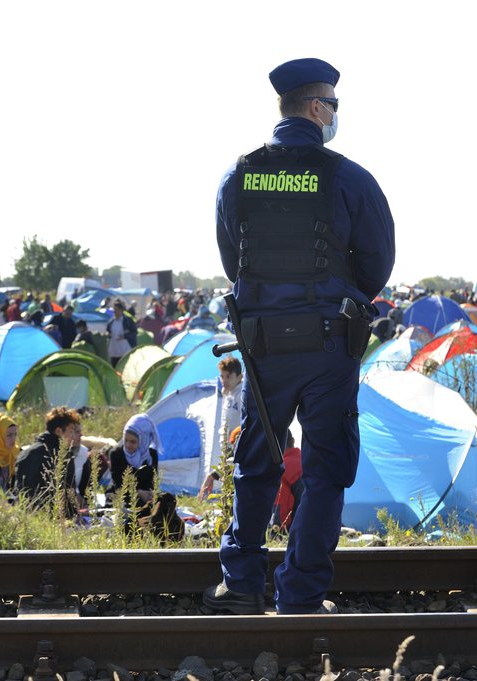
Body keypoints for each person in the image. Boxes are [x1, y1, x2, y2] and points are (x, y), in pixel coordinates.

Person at [205, 58, 394, 616]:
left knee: (256, 457)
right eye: (333, 106)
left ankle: (240, 583)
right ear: (317, 108)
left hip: (262, 343)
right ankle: (301, 595)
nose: (335, 116)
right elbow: (378, 262)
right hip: (328, 346)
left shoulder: (238, 175)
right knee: (325, 465)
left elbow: (229, 259)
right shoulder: (348, 177)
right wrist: (333, 294)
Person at [13, 407, 82, 508]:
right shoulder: (63, 455)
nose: (79, 435)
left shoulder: (25, 453)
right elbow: (67, 497)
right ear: (59, 431)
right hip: (52, 516)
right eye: (73, 431)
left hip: (24, 514)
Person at [198, 357, 245, 501]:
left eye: (229, 376)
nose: (224, 380)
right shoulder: (227, 393)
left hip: (237, 440)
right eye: (222, 376)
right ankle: (228, 501)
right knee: (227, 472)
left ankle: (231, 502)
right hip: (227, 441)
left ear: (239, 376)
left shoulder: (241, 394)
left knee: (231, 469)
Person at [108, 414, 161, 503]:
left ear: (143, 440)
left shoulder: (151, 455)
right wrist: (138, 493)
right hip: (122, 496)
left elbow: (152, 482)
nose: (128, 445)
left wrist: (150, 493)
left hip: (145, 496)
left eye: (133, 442)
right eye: (126, 440)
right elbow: (118, 485)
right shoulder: (116, 454)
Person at [106, 300, 137, 367]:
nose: (114, 311)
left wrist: (124, 336)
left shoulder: (128, 321)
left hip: (125, 351)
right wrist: (108, 334)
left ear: (121, 310)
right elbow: (108, 332)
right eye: (114, 309)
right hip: (114, 351)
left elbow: (134, 333)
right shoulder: (111, 322)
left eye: (116, 309)